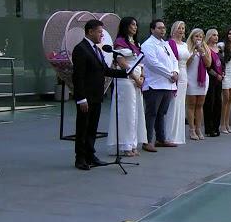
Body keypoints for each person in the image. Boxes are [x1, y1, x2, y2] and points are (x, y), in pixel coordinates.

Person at [72, 19, 132, 171]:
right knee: (83, 128)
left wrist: (125, 73)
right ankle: (80, 158)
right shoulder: (81, 49)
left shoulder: (97, 50)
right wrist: (81, 98)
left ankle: (90, 154)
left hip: (97, 96)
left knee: (92, 128)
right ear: (90, 31)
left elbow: (105, 70)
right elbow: (77, 76)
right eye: (99, 32)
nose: (101, 36)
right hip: (86, 97)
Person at [106, 16, 147, 157]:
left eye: (136, 25)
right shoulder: (120, 42)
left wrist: (141, 76)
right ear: (126, 26)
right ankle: (125, 145)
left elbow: (140, 63)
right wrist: (135, 77)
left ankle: (133, 143)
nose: (135, 27)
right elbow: (122, 62)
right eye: (132, 25)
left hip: (136, 80)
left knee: (136, 112)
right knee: (127, 112)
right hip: (125, 80)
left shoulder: (135, 43)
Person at [141, 19, 179, 152]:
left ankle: (160, 139)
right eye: (159, 28)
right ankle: (147, 141)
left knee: (162, 113)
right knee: (151, 113)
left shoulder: (165, 44)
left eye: (164, 28)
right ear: (152, 30)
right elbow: (153, 63)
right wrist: (170, 74)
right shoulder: (148, 44)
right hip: (154, 84)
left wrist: (175, 71)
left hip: (167, 84)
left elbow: (174, 59)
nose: (163, 30)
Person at [164, 20, 190, 145]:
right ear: (174, 29)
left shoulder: (185, 45)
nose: (181, 30)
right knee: (173, 105)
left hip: (184, 74)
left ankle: (179, 135)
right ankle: (170, 135)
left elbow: (188, 61)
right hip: (175, 74)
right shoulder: (169, 43)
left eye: (183, 28)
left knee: (181, 104)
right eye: (179, 28)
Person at [185, 28, 211, 140]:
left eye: (200, 37)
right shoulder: (187, 47)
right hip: (190, 78)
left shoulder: (205, 48)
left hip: (202, 79)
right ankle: (191, 129)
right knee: (191, 104)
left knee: (200, 105)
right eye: (196, 36)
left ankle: (198, 128)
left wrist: (202, 52)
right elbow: (185, 64)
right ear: (192, 37)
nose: (198, 38)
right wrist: (193, 53)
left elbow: (208, 64)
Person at [203, 28, 223, 137]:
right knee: (209, 103)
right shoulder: (206, 48)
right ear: (209, 36)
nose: (216, 37)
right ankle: (209, 128)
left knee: (218, 103)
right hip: (210, 78)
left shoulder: (219, 49)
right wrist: (216, 75)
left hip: (219, 80)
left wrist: (222, 74)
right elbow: (207, 66)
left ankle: (216, 126)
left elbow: (222, 63)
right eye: (214, 35)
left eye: (217, 35)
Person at [219, 28, 231, 134]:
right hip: (225, 73)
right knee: (225, 99)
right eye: (229, 34)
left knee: (230, 100)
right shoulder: (221, 45)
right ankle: (222, 124)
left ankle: (227, 124)